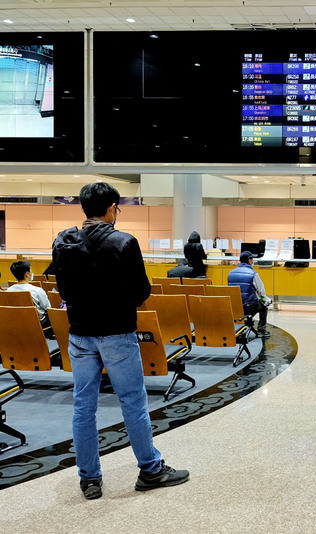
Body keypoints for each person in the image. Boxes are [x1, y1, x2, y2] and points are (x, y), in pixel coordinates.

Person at [51, 182, 189, 500]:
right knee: (132, 403)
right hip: (117, 333)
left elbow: (64, 289)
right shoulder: (124, 241)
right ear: (112, 208)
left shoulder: (63, 241)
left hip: (79, 335)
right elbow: (141, 292)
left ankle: (89, 479)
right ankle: (150, 470)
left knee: (83, 406)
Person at [227, 250, 270, 336]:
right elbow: (261, 291)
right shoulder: (253, 274)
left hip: (234, 306)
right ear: (249, 260)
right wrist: (264, 299)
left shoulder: (230, 273)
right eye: (252, 259)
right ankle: (261, 329)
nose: (253, 261)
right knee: (264, 305)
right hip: (248, 307)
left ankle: (242, 322)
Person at [8, 260, 51, 328]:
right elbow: (48, 308)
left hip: (17, 323)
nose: (32, 273)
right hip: (38, 325)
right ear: (27, 274)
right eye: (31, 271)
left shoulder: (9, 290)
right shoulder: (37, 291)